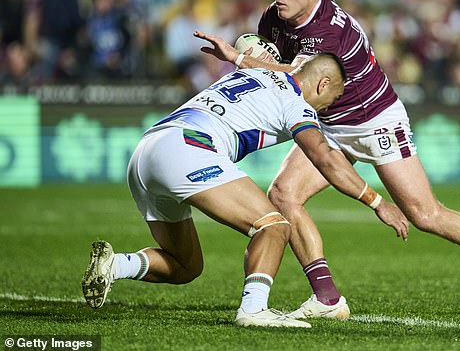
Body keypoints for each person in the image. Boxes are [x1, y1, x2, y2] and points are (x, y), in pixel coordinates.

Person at [194, 0, 460, 319]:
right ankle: (327, 298)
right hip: (330, 123)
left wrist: (239, 58)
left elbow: (300, 77)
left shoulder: (329, 31)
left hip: (374, 120)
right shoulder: (274, 17)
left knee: (425, 214)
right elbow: (279, 71)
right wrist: (257, 57)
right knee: (284, 195)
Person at [81, 50, 409, 328]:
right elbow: (325, 159)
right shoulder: (297, 104)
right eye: (333, 97)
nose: (327, 108)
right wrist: (377, 201)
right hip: (188, 147)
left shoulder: (256, 73)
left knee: (185, 265)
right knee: (275, 225)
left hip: (146, 152)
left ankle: (114, 265)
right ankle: (254, 310)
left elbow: (257, 61)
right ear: (322, 83)